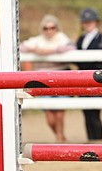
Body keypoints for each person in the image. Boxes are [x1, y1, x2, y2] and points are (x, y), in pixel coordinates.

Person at [20, 14, 73, 142]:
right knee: (49, 115)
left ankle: (60, 137)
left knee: (59, 111)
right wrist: (34, 50)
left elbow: (70, 47)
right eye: (46, 28)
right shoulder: (37, 40)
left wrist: (49, 51)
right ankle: (59, 136)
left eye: (52, 28)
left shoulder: (62, 38)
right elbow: (21, 46)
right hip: (43, 80)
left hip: (60, 78)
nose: (49, 31)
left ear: (56, 28)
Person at [74, 7, 102, 141]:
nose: (88, 23)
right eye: (86, 21)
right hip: (83, 80)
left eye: (91, 21)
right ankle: (90, 139)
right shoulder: (81, 38)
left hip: (97, 79)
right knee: (86, 112)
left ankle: (98, 140)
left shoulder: (101, 37)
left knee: (95, 112)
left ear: (96, 22)